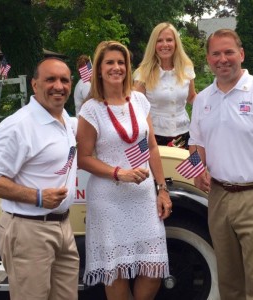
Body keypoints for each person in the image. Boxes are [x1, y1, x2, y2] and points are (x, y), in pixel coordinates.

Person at [0, 57, 79, 300]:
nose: (58, 86)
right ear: (34, 84)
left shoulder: (65, 121)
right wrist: (38, 196)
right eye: (50, 79)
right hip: (28, 230)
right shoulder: (18, 125)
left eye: (64, 80)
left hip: (63, 227)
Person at [76, 40, 172, 300]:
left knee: (152, 268)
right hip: (109, 200)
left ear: (128, 68)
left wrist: (162, 189)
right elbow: (83, 158)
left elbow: (152, 147)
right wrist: (119, 173)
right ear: (98, 69)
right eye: (110, 62)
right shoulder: (91, 109)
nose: (116, 67)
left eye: (121, 62)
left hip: (142, 199)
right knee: (115, 269)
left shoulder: (140, 101)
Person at [188, 29, 253, 300]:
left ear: (241, 54)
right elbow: (195, 144)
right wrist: (197, 168)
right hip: (219, 197)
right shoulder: (202, 100)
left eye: (228, 52)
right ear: (208, 59)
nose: (222, 59)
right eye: (216, 54)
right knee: (229, 282)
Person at [134, 22, 196, 148]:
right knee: (157, 168)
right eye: (159, 41)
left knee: (186, 167)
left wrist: (213, 102)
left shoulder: (187, 68)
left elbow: (191, 97)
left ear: (176, 43)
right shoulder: (143, 73)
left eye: (169, 40)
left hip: (184, 134)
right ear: (153, 44)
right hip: (153, 135)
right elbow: (136, 107)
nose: (165, 45)